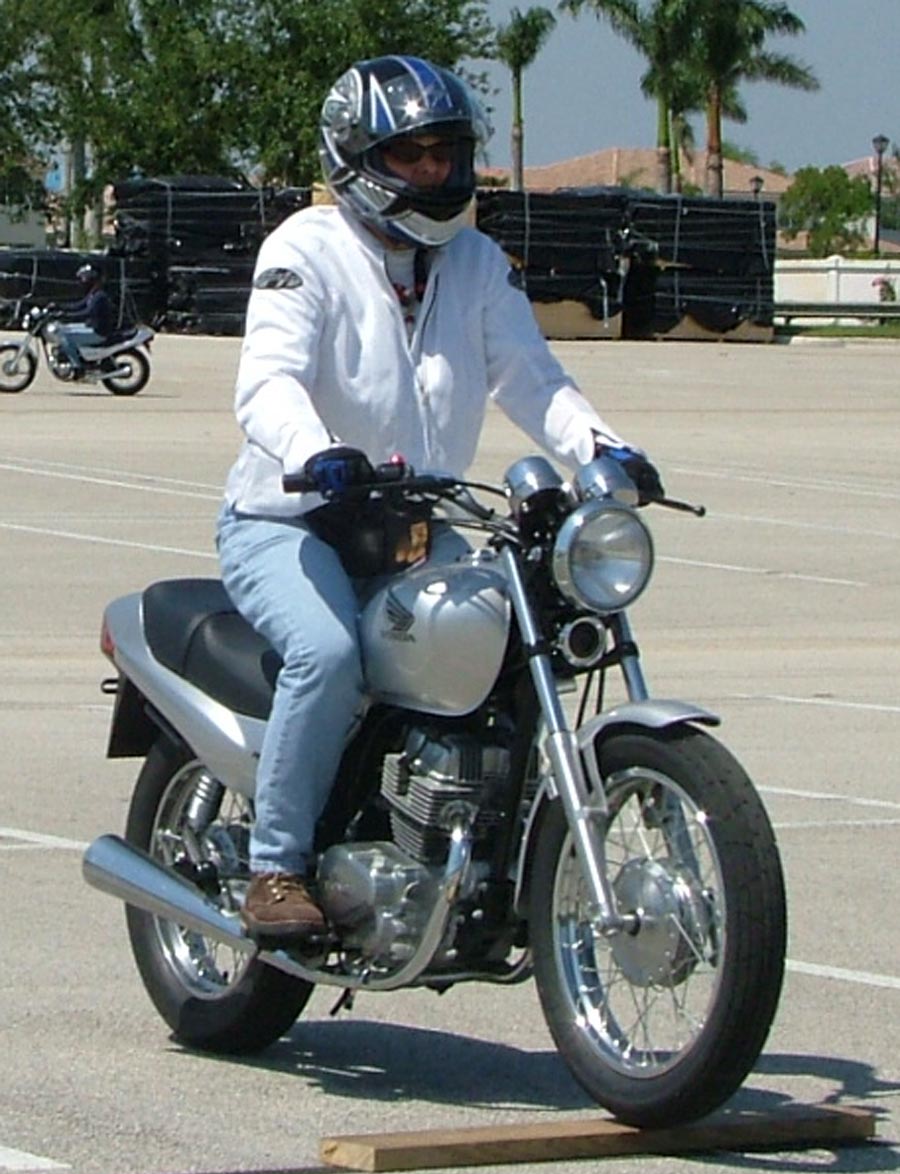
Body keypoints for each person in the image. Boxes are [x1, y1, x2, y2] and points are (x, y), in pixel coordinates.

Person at [216, 55, 662, 943]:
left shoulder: (476, 262)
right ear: (356, 158)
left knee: (508, 635)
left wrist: (600, 447)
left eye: (444, 153)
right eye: (409, 155)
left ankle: (474, 844)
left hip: (416, 526)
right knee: (328, 655)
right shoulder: (305, 249)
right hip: (292, 520)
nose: (431, 172)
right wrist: (317, 452)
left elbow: (530, 375)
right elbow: (267, 381)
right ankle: (275, 866)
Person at [54, 263, 116, 377]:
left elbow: (86, 313)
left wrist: (66, 315)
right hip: (92, 327)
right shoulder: (94, 293)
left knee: (66, 337)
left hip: (98, 332)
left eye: (85, 278)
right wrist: (59, 307)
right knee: (63, 329)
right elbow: (79, 305)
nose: (83, 281)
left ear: (92, 279)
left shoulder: (99, 296)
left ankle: (77, 366)